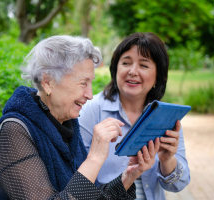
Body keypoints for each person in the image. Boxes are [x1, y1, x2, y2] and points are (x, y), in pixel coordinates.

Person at [0, 35, 161, 200]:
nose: (90, 95)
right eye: (83, 83)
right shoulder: (14, 132)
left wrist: (129, 176)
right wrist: (94, 158)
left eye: (91, 83)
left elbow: (89, 196)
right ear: (47, 81)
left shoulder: (66, 123)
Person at [78, 32, 190, 200]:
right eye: (126, 63)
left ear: (158, 77)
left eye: (144, 65)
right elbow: (76, 179)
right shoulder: (90, 109)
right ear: (116, 68)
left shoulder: (166, 116)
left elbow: (179, 184)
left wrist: (167, 160)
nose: (132, 71)